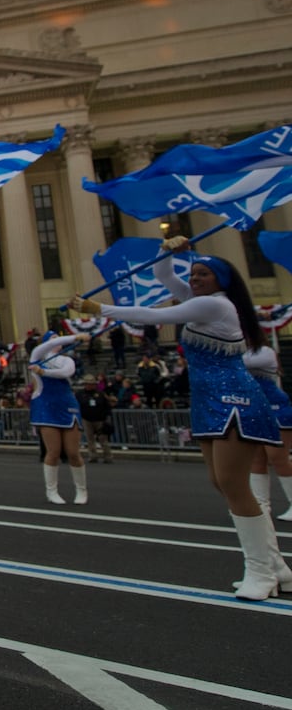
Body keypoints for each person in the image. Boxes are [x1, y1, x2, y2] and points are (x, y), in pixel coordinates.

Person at [70, 237, 288, 600]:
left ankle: (262, 571)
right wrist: (165, 251)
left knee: (234, 486)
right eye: (194, 273)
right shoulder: (201, 302)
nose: (196, 278)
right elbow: (163, 276)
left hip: (233, 398)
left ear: (221, 279)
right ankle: (276, 564)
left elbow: (155, 315)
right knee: (222, 483)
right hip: (208, 399)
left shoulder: (215, 306)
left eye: (203, 273)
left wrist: (99, 308)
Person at [24, 331, 90, 505]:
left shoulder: (67, 360)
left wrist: (43, 372)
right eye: (52, 339)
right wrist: (74, 338)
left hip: (67, 405)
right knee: (53, 452)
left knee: (73, 452)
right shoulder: (37, 355)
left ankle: (81, 490)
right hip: (46, 406)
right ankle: (51, 491)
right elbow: (45, 347)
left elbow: (66, 372)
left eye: (58, 339)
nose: (57, 342)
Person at [244, 344, 292, 520]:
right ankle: (261, 504)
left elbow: (239, 362)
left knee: (278, 458)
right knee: (257, 458)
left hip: (277, 409)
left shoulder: (264, 351)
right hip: (255, 410)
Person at [78, 375, 114, 464]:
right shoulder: (80, 394)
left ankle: (108, 456)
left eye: (92, 384)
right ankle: (93, 456)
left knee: (103, 439)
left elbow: (107, 405)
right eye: (88, 384)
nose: (90, 386)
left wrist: (107, 416)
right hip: (86, 419)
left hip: (100, 419)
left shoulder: (101, 394)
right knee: (90, 439)